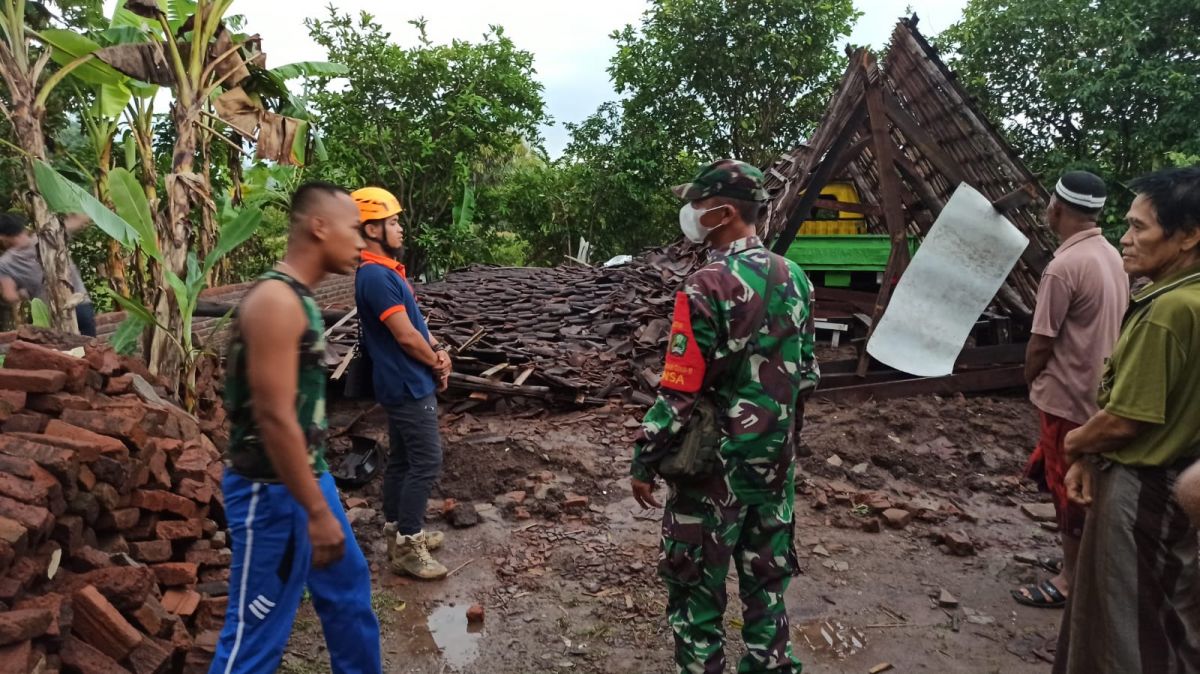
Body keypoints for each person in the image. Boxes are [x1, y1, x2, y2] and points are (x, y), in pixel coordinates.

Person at [630, 159, 819, 674]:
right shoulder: (795, 278)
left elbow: (679, 392)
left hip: (713, 472)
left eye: (697, 204)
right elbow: (807, 378)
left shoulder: (705, 285)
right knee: (768, 593)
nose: (691, 213)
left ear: (724, 212)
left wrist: (644, 460)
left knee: (696, 600)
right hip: (774, 470)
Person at [209, 182, 381, 674]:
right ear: (319, 226)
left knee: (348, 594)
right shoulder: (276, 302)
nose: (362, 243)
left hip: (307, 477)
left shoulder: (297, 299)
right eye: (354, 230)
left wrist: (318, 495)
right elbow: (274, 416)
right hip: (272, 491)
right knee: (255, 636)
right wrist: (314, 509)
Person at [1056, 166, 1200, 673]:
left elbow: (1124, 420)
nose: (1127, 237)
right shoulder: (1181, 299)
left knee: (1128, 622)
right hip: (1173, 482)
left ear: (1187, 237)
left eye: (1140, 227)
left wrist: (1075, 445)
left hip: (1143, 491)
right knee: (1164, 611)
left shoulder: (1170, 311)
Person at [1012, 171, 1129, 609]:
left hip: (1067, 395)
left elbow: (1042, 341)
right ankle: (1082, 564)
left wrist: (1030, 377)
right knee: (1084, 482)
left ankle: (1068, 581)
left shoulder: (1063, 268)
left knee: (1067, 486)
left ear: (1056, 208)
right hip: (1099, 392)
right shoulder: (1111, 255)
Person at [350, 187, 452, 581]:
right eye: (393, 222)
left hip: (406, 380)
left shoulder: (385, 272)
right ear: (372, 229)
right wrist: (435, 363)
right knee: (427, 461)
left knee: (405, 460)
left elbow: (418, 327)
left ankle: (397, 531)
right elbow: (406, 337)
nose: (401, 228)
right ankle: (410, 545)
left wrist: (439, 351)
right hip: (407, 384)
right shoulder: (375, 276)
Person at [0, 211, 96, 335]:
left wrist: (25, 292)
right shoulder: (49, 235)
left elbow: (10, 296)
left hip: (51, 313)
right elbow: (82, 218)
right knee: (91, 349)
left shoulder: (5, 263)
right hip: (80, 304)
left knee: (63, 353)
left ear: (2, 237)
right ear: (22, 228)